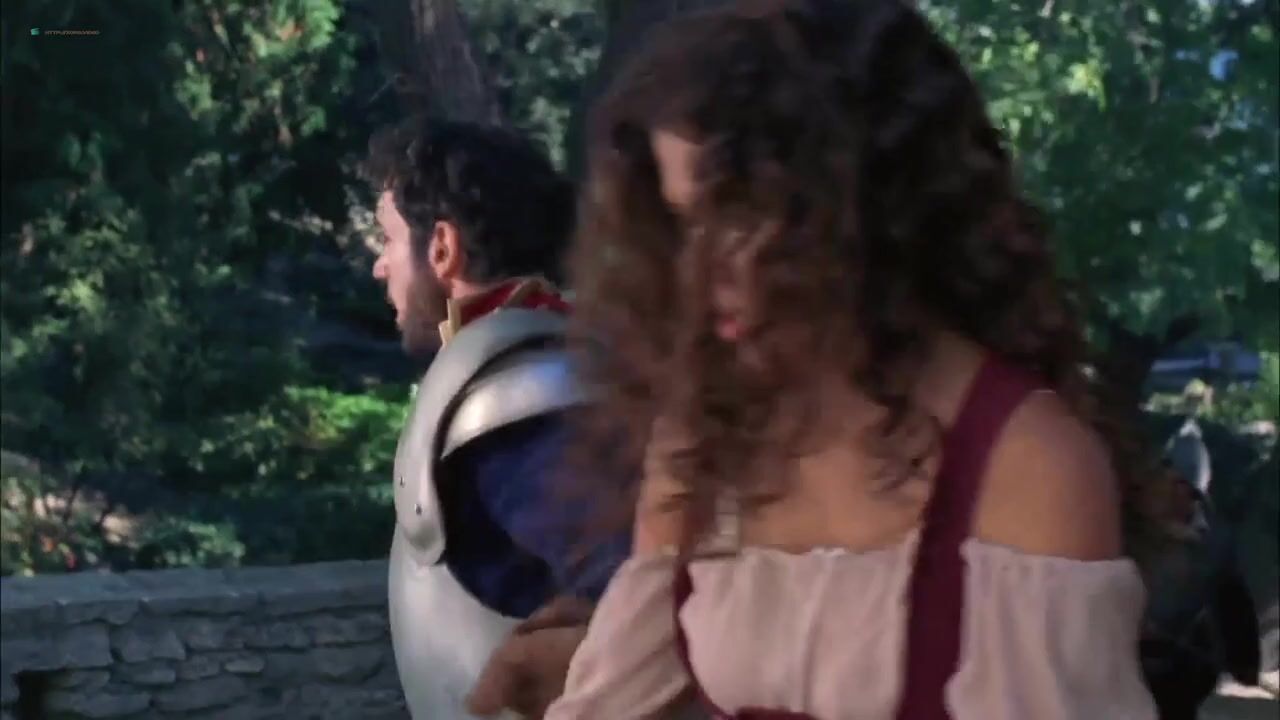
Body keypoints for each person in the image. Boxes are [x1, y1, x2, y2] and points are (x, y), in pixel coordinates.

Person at [540, 1, 1179, 718]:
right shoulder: (707, 436)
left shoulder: (1028, 465)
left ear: (867, 204)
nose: (701, 270)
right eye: (683, 222)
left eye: (740, 214)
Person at [363, 117, 629, 720]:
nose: (380, 267)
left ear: (441, 248)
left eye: (388, 240)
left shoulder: (513, 402)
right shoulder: (577, 367)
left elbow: (643, 596)